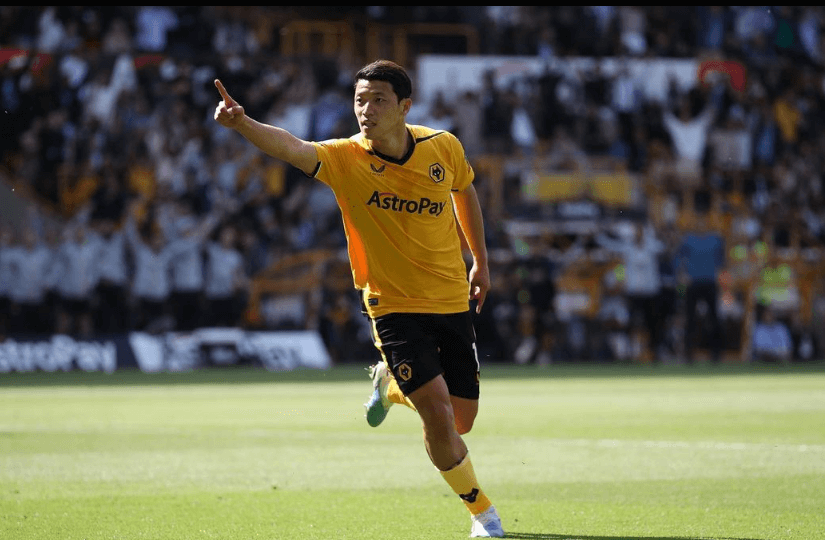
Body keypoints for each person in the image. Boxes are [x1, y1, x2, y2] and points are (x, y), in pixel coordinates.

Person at [213, 59, 504, 538]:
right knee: (437, 415)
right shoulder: (346, 158)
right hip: (392, 305)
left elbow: (464, 191)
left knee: (462, 420)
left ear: (405, 106)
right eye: (360, 100)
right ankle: (482, 513)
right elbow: (292, 147)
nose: (366, 110)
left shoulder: (443, 146)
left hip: (450, 297)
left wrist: (481, 261)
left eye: (378, 101)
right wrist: (243, 123)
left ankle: (390, 386)